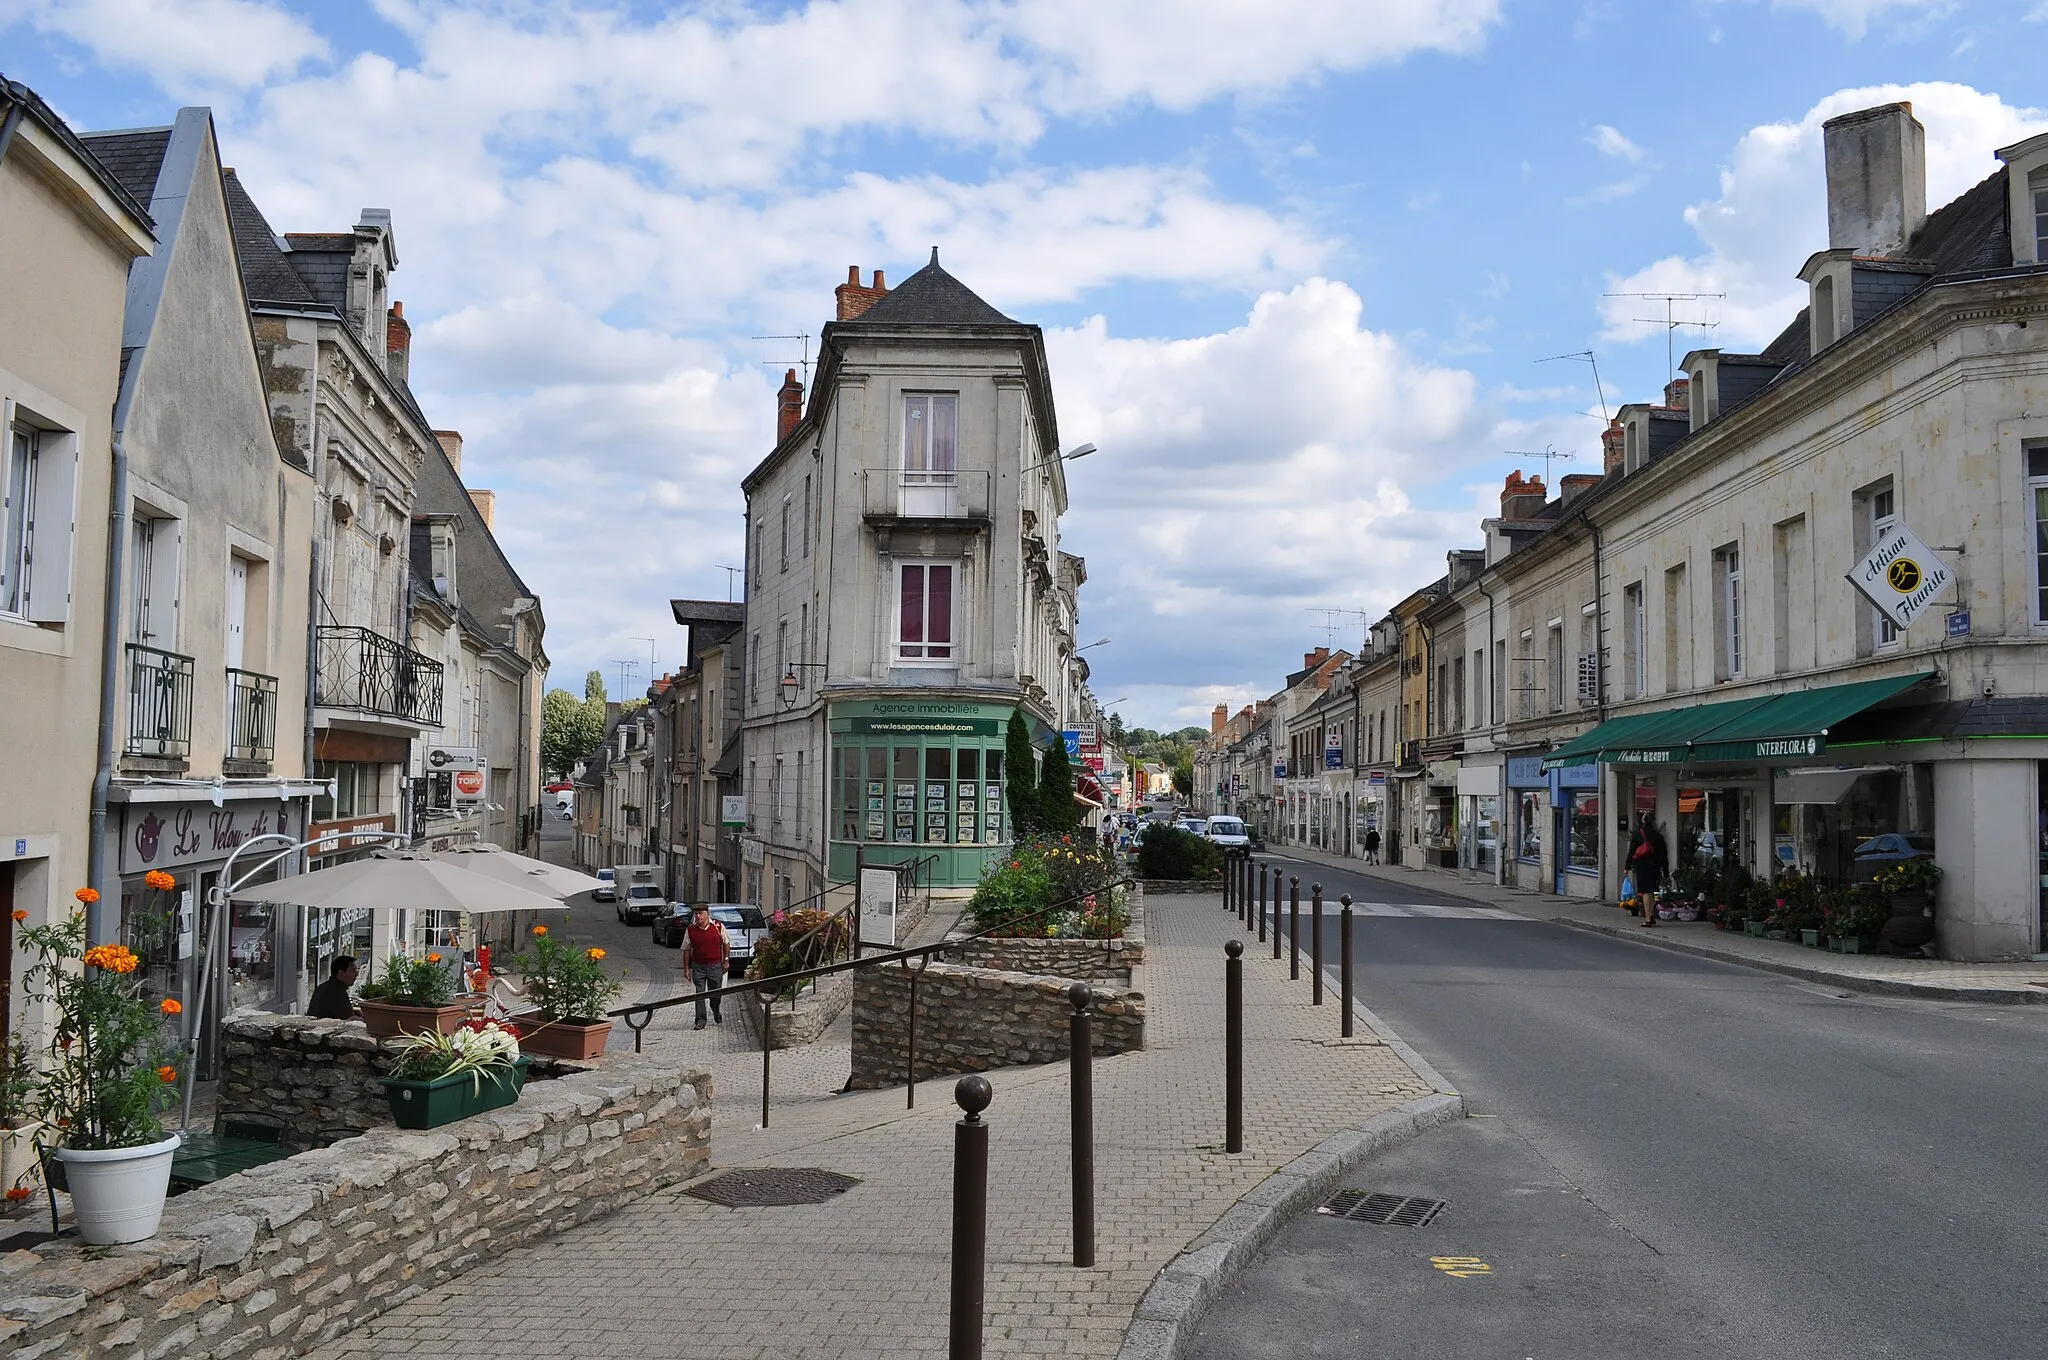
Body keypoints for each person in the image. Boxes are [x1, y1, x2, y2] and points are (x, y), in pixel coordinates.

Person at [680, 904, 729, 1029]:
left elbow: (726, 943)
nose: (698, 916)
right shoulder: (691, 930)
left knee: (716, 993)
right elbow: (686, 949)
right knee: (699, 993)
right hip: (698, 966)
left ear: (707, 914)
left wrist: (726, 960)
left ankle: (715, 1009)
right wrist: (686, 968)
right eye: (696, 914)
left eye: (701, 913)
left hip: (715, 965)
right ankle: (700, 1019)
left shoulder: (718, 927)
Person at [307, 956, 358, 1020]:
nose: (356, 974)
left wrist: (355, 1012)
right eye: (353, 970)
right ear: (341, 973)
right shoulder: (337, 992)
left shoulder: (323, 987)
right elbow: (350, 1019)